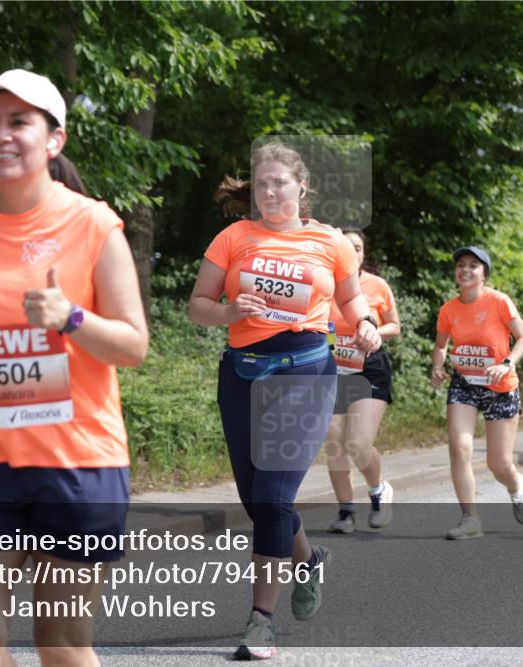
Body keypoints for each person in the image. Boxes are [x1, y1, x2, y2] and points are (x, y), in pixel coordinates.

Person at [0, 69, 149, 667]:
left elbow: (132, 345)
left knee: (62, 644)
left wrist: (71, 318)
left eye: (19, 121)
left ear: (54, 140)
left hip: (76, 460)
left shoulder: (93, 225)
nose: (2, 134)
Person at [188, 142, 381, 660]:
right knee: (259, 502)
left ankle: (259, 621)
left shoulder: (331, 242)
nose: (271, 191)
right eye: (262, 184)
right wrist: (229, 313)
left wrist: (366, 325)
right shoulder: (233, 237)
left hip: (305, 372)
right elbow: (198, 306)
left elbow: (351, 300)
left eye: (280, 182)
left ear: (301, 187)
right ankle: (308, 559)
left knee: (273, 500)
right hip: (242, 374)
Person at [430, 246, 523, 540]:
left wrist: (506, 363)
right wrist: (437, 367)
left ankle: (515, 486)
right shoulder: (449, 309)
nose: (465, 270)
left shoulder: (499, 302)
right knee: (459, 448)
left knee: (498, 463)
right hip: (464, 384)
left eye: (473, 266)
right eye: (460, 265)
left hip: (500, 387)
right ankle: (470, 519)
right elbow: (441, 345)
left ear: (484, 274)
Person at [324, 228, 400, 533]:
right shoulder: (323, 283)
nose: (352, 252)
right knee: (334, 444)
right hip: (331, 369)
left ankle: (378, 490)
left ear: (363, 253)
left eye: (357, 247)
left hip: (369, 368)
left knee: (357, 443)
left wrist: (371, 332)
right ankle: (346, 512)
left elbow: (394, 325)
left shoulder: (377, 285)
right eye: (346, 246)